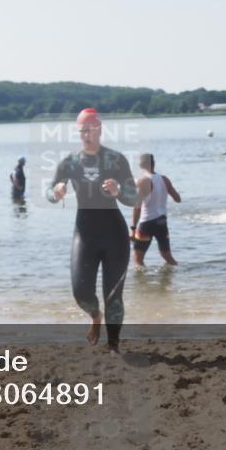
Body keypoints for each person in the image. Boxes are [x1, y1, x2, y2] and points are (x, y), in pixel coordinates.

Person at [47, 108, 137, 352]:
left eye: (90, 130)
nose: (86, 135)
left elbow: (133, 197)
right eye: (82, 131)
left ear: (99, 130)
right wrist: (56, 192)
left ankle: (114, 344)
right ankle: (95, 316)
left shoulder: (116, 160)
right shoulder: (69, 162)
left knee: (114, 296)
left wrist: (119, 191)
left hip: (114, 235)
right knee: (81, 292)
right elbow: (49, 193)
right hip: (84, 234)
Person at [131, 153, 181, 266]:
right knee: (168, 257)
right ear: (153, 164)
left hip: (147, 223)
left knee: (137, 258)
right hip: (162, 222)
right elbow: (178, 199)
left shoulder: (143, 181)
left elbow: (137, 207)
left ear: (142, 165)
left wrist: (133, 228)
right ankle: (179, 275)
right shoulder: (164, 179)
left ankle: (142, 283)